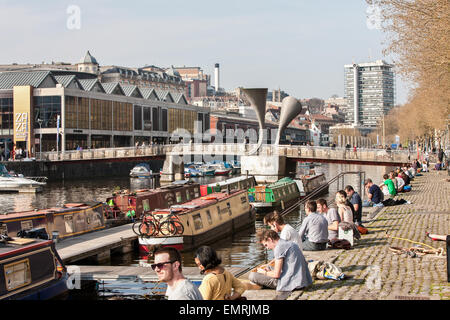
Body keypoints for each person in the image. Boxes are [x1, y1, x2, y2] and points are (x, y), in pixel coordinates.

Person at [248, 230, 312, 294]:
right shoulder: (289, 243)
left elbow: (276, 275)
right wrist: (268, 267)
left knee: (252, 275)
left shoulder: (279, 248)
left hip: (290, 283)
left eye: (266, 245)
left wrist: (264, 272)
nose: (267, 248)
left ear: (270, 240)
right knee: (269, 267)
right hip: (303, 280)